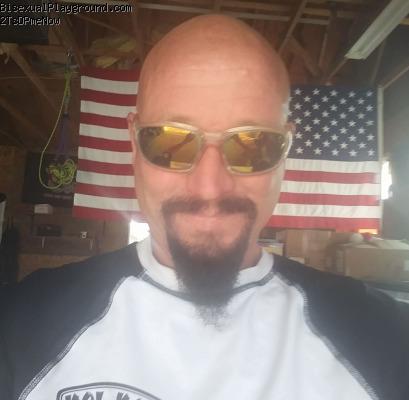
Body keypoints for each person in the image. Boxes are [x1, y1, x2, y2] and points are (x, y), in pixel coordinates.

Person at [1, 15, 408, 400]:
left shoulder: (385, 341)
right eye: (170, 141)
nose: (209, 187)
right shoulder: (21, 326)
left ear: (285, 149)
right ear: (134, 143)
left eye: (253, 145)